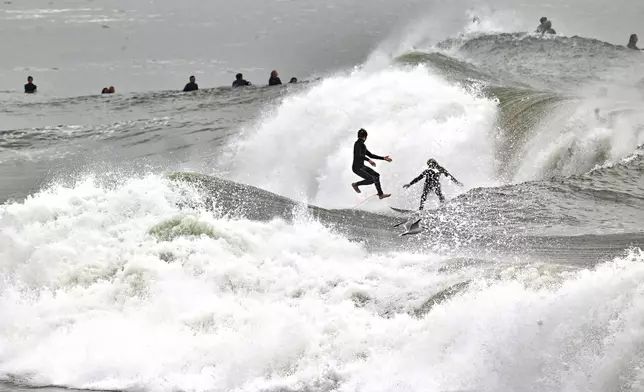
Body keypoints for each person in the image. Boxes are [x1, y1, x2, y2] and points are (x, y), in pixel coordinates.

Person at [351, 128, 392, 199]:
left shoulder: (362, 145)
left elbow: (370, 155)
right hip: (357, 168)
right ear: (365, 137)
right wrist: (369, 160)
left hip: (361, 166)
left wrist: (383, 158)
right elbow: (359, 155)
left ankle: (380, 194)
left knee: (376, 175)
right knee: (371, 180)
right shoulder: (358, 144)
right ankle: (355, 184)